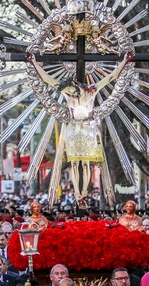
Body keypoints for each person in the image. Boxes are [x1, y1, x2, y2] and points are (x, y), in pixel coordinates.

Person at [26, 50, 134, 207]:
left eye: (73, 89)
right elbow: (47, 79)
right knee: (75, 163)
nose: (72, 92)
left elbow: (112, 77)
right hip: (73, 127)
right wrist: (34, 63)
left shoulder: (92, 90)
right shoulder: (67, 93)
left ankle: (84, 193)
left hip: (88, 127)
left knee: (86, 164)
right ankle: (78, 194)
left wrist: (124, 62)